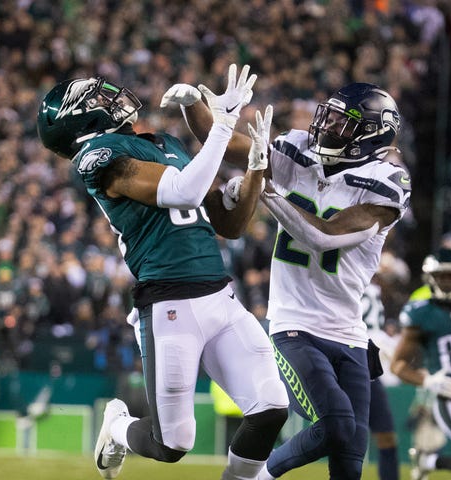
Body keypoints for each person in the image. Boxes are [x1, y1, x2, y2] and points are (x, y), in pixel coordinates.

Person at [37, 64, 289, 480]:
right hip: (169, 305)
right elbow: (182, 190)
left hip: (220, 296)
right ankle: (118, 426)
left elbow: (229, 224)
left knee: (270, 409)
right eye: (95, 101)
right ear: (79, 122)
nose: (111, 99)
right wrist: (222, 126)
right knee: (171, 444)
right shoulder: (97, 158)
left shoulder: (167, 142)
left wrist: (255, 169)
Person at [161, 81, 411, 479]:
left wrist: (265, 187)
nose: (327, 126)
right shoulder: (298, 150)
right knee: (335, 425)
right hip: (295, 325)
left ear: (370, 135)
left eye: (343, 123)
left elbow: (323, 235)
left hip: (350, 333)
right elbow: (222, 142)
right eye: (327, 115)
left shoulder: (386, 182)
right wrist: (198, 107)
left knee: (350, 459)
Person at [391, 248, 451, 479]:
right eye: (442, 275)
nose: (447, 281)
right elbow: (398, 365)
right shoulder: (421, 313)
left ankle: (428, 460)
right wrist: (428, 380)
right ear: (430, 278)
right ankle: (428, 460)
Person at [362, 281, 400, 480]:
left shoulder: (374, 289)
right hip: (347, 360)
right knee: (344, 436)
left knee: (387, 436)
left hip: (369, 368)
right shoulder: (344, 279)